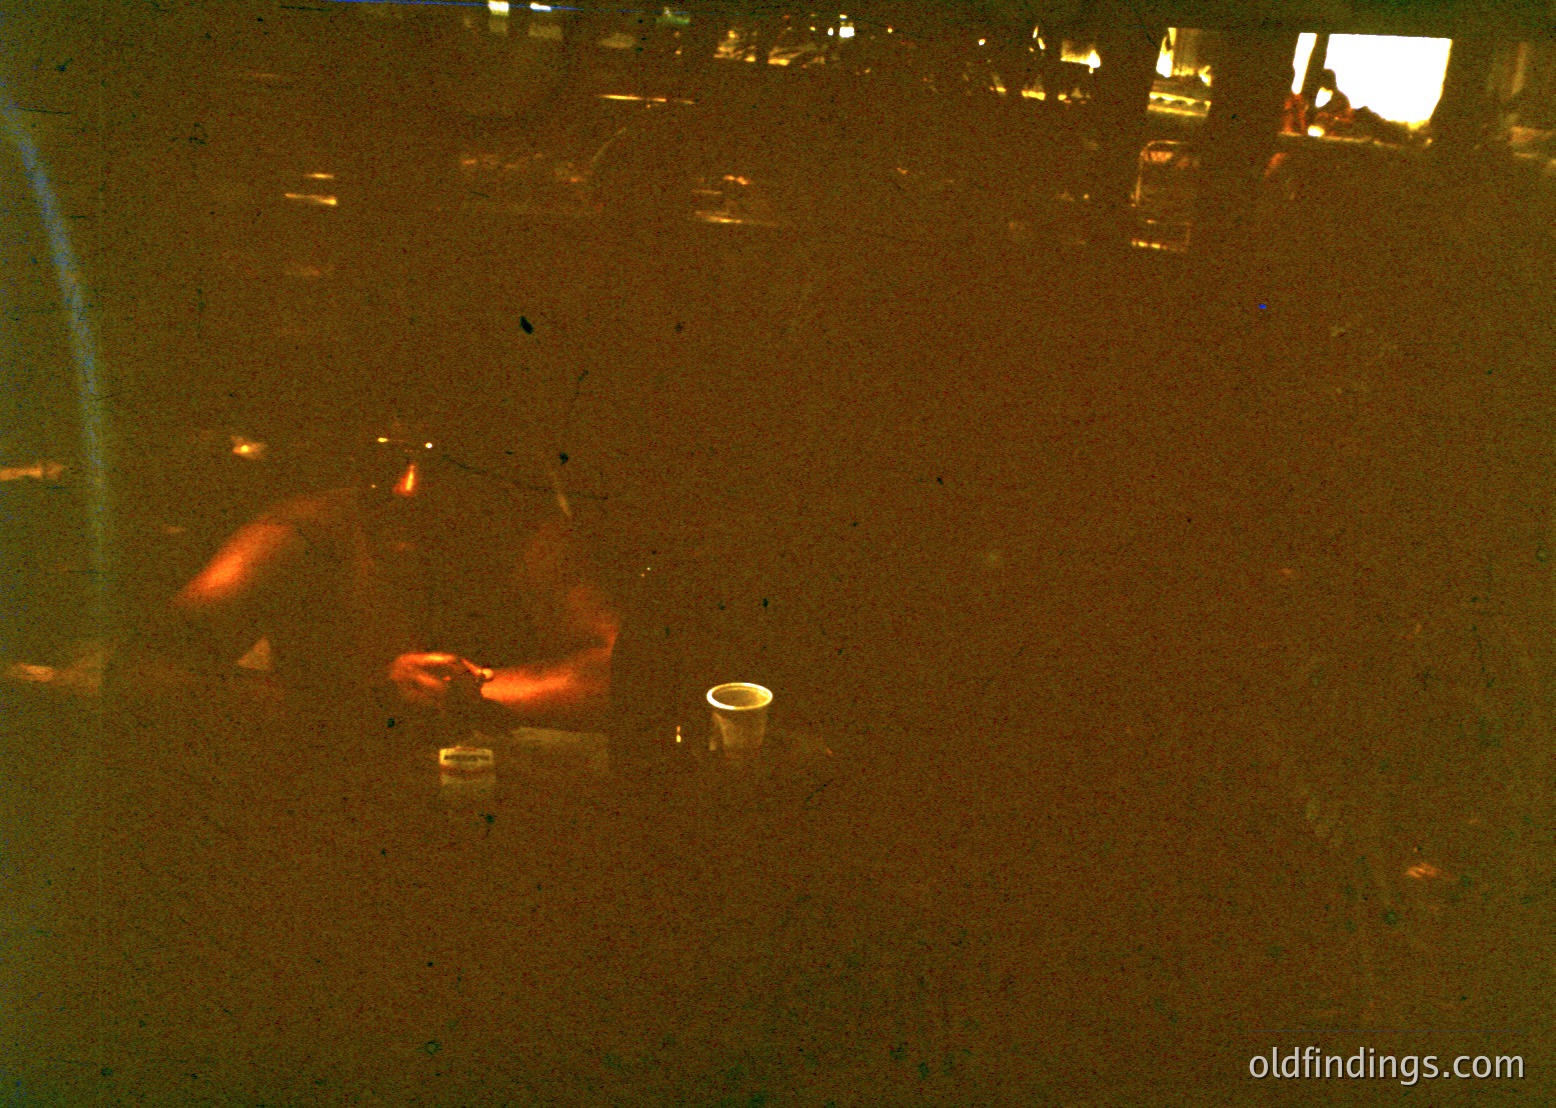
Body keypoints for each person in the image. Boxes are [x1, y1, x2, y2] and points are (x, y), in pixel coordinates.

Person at [135, 418, 619, 733]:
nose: (409, 488)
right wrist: (360, 703)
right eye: (389, 462)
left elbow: (629, 670)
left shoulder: (520, 533)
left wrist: (467, 689)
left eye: (438, 465)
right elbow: (144, 673)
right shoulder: (303, 533)